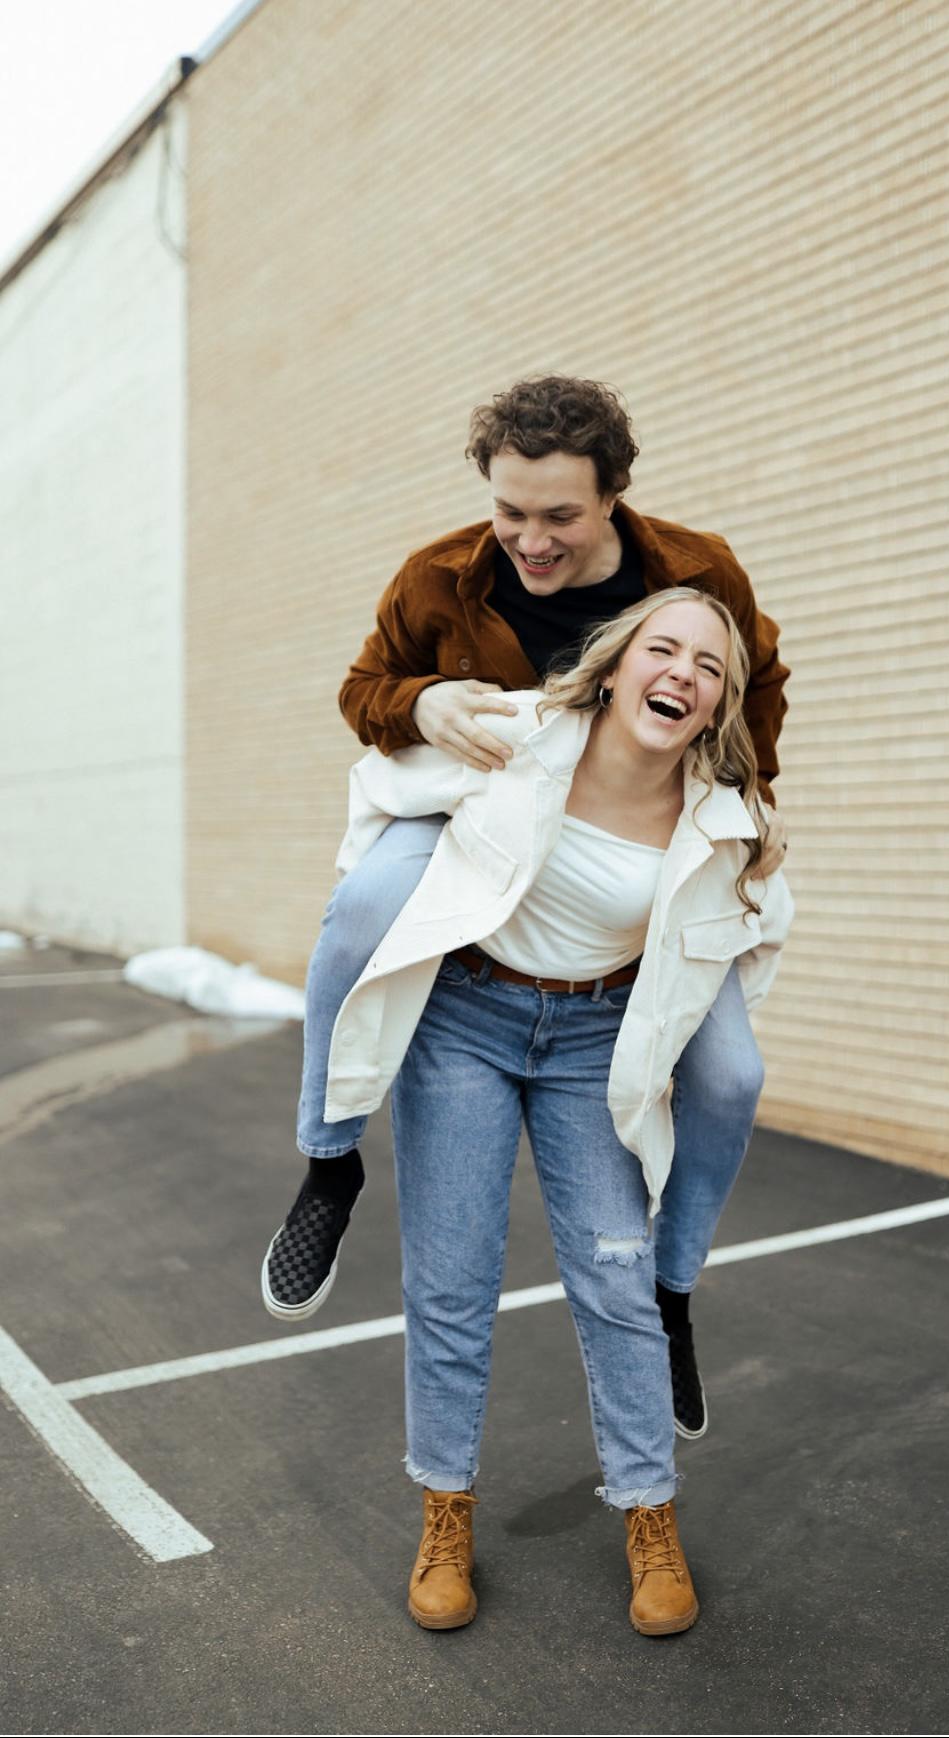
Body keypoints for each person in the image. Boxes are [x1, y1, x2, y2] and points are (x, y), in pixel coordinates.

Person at [262, 375, 790, 1440]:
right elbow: (363, 692)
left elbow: (759, 683)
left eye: (559, 516)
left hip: (630, 846)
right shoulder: (438, 580)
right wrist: (422, 702)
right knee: (366, 904)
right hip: (480, 817)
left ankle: (670, 1292)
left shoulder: (696, 577)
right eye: (510, 512)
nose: (530, 541)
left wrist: (743, 804)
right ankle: (327, 1161)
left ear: (614, 497)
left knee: (732, 1075)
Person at [309, 588, 793, 1632]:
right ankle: (445, 1513)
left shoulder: (729, 821)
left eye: (709, 667)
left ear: (718, 705)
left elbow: (753, 943)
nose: (683, 673)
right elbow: (380, 785)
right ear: (615, 668)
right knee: (451, 1279)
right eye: (663, 649)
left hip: (592, 1045)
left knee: (618, 1282)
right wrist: (394, 895)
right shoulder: (520, 735)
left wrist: (676, 1029)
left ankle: (650, 1514)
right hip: (465, 1020)